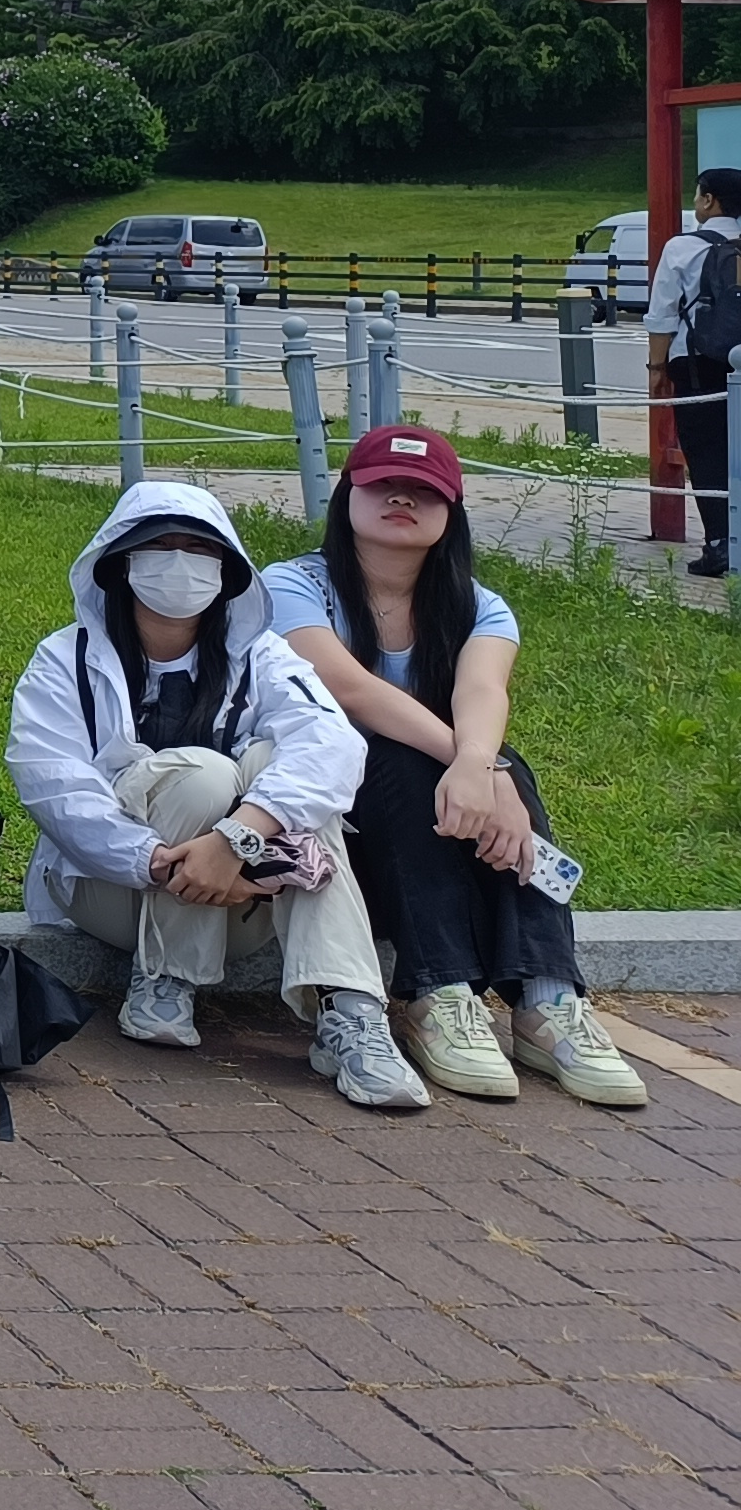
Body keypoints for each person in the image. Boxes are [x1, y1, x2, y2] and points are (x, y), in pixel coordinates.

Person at [4, 479, 426, 1112]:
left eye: (200, 549)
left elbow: (334, 744)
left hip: (242, 896)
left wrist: (237, 839)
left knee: (285, 772)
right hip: (112, 891)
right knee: (204, 772)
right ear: (120, 564)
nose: (180, 563)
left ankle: (351, 1014)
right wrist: (156, 860)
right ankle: (165, 976)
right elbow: (52, 784)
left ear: (228, 571)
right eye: (160, 547)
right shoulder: (65, 658)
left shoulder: (262, 656)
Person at [266, 427, 644, 1108]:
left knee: (500, 763)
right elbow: (349, 691)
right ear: (348, 494)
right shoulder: (293, 585)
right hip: (333, 838)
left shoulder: (478, 606)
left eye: (424, 491)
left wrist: (486, 767)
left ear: (452, 511)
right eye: (383, 484)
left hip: (435, 831)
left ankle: (548, 1001)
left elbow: (483, 692)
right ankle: (437, 993)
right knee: (402, 755)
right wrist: (482, 771)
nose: (402, 498)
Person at [646, 165, 737, 579]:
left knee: (704, 451)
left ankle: (720, 544)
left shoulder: (682, 248)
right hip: (738, 359)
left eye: (699, 194)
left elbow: (662, 314)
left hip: (696, 363)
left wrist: (656, 367)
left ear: (709, 200)